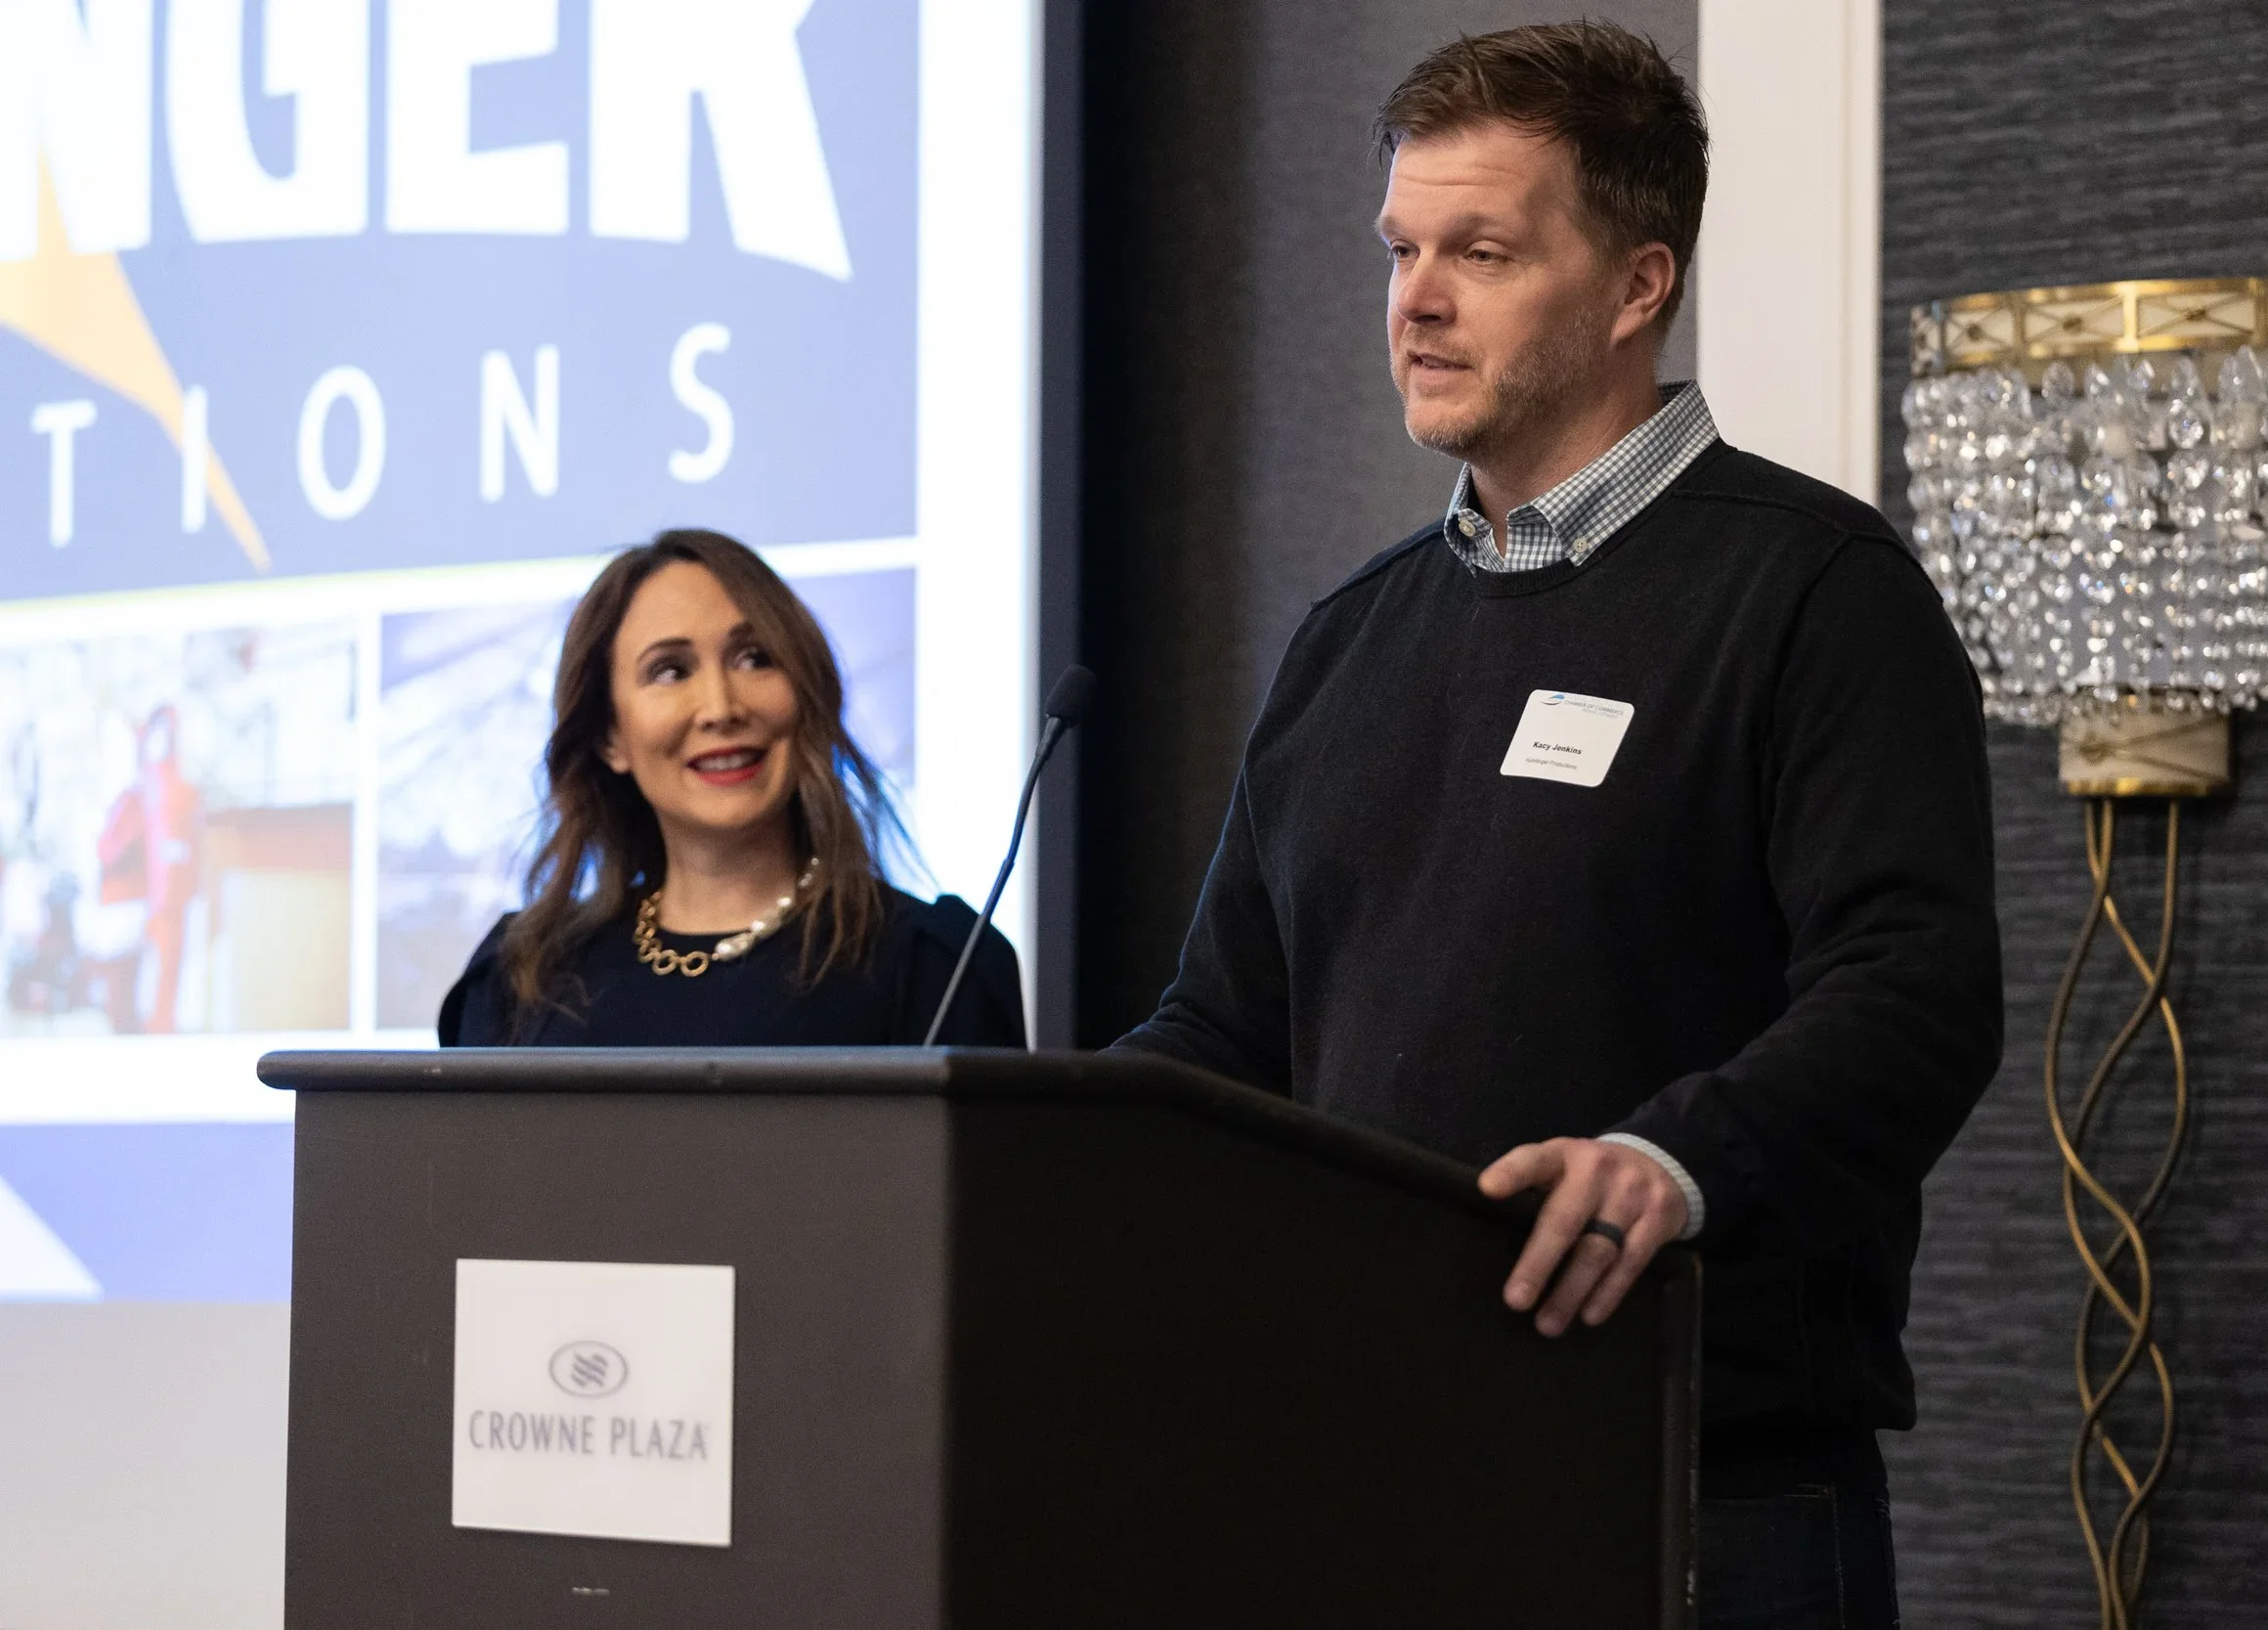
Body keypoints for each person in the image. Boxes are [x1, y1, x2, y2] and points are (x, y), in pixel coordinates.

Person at [1113, 23, 2000, 1628]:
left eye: (1482, 251)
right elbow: (1225, 1029)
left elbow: (1916, 992)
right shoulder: (1348, 638)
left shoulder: (1811, 592)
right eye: (1400, 248)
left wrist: (1674, 1160)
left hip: (1698, 1491)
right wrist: (1033, 1161)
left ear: (1637, 284)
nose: (1416, 297)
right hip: (1358, 1479)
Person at [441, 529, 1025, 1049]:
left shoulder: (934, 966)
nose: (721, 708)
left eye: (755, 658)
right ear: (609, 736)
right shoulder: (519, 977)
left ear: (807, 694)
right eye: (669, 671)